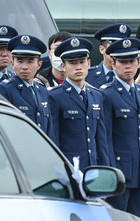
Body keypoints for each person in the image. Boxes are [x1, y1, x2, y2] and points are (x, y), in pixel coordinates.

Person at [100, 38, 140, 217]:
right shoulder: (106, 94)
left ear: (139, 63)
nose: (127, 66)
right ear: (114, 64)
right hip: (119, 172)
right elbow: (105, 139)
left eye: (132, 61)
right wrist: (109, 175)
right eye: (122, 62)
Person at [49, 37, 110, 171]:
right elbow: (53, 139)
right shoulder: (54, 96)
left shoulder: (96, 95)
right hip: (69, 169)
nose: (78, 67)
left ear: (89, 64)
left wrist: (105, 170)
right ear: (63, 66)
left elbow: (101, 141)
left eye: (82, 62)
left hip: (93, 169)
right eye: (72, 63)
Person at [0, 35, 53, 137]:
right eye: (20, 61)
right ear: (12, 63)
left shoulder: (43, 91)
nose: (25, 67)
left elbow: (50, 130)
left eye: (30, 61)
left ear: (39, 65)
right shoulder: (5, 89)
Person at [86, 24, 131, 88]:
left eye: (121, 48)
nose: (118, 52)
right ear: (102, 49)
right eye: (113, 47)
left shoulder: (130, 73)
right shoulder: (88, 75)